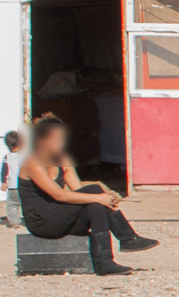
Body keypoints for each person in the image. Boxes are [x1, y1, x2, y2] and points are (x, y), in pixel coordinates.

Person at [16, 114, 157, 275]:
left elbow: (77, 190)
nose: (61, 144)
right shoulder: (32, 162)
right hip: (41, 222)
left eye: (63, 139)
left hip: (61, 217)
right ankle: (128, 238)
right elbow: (59, 195)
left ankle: (104, 262)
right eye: (56, 140)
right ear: (41, 141)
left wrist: (104, 199)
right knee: (95, 191)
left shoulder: (63, 159)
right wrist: (99, 196)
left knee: (95, 207)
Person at [3, 129, 22, 227]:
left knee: (12, 205)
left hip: (12, 186)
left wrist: (4, 182)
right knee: (26, 203)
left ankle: (15, 222)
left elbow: (4, 171)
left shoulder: (7, 157)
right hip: (24, 185)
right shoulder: (25, 156)